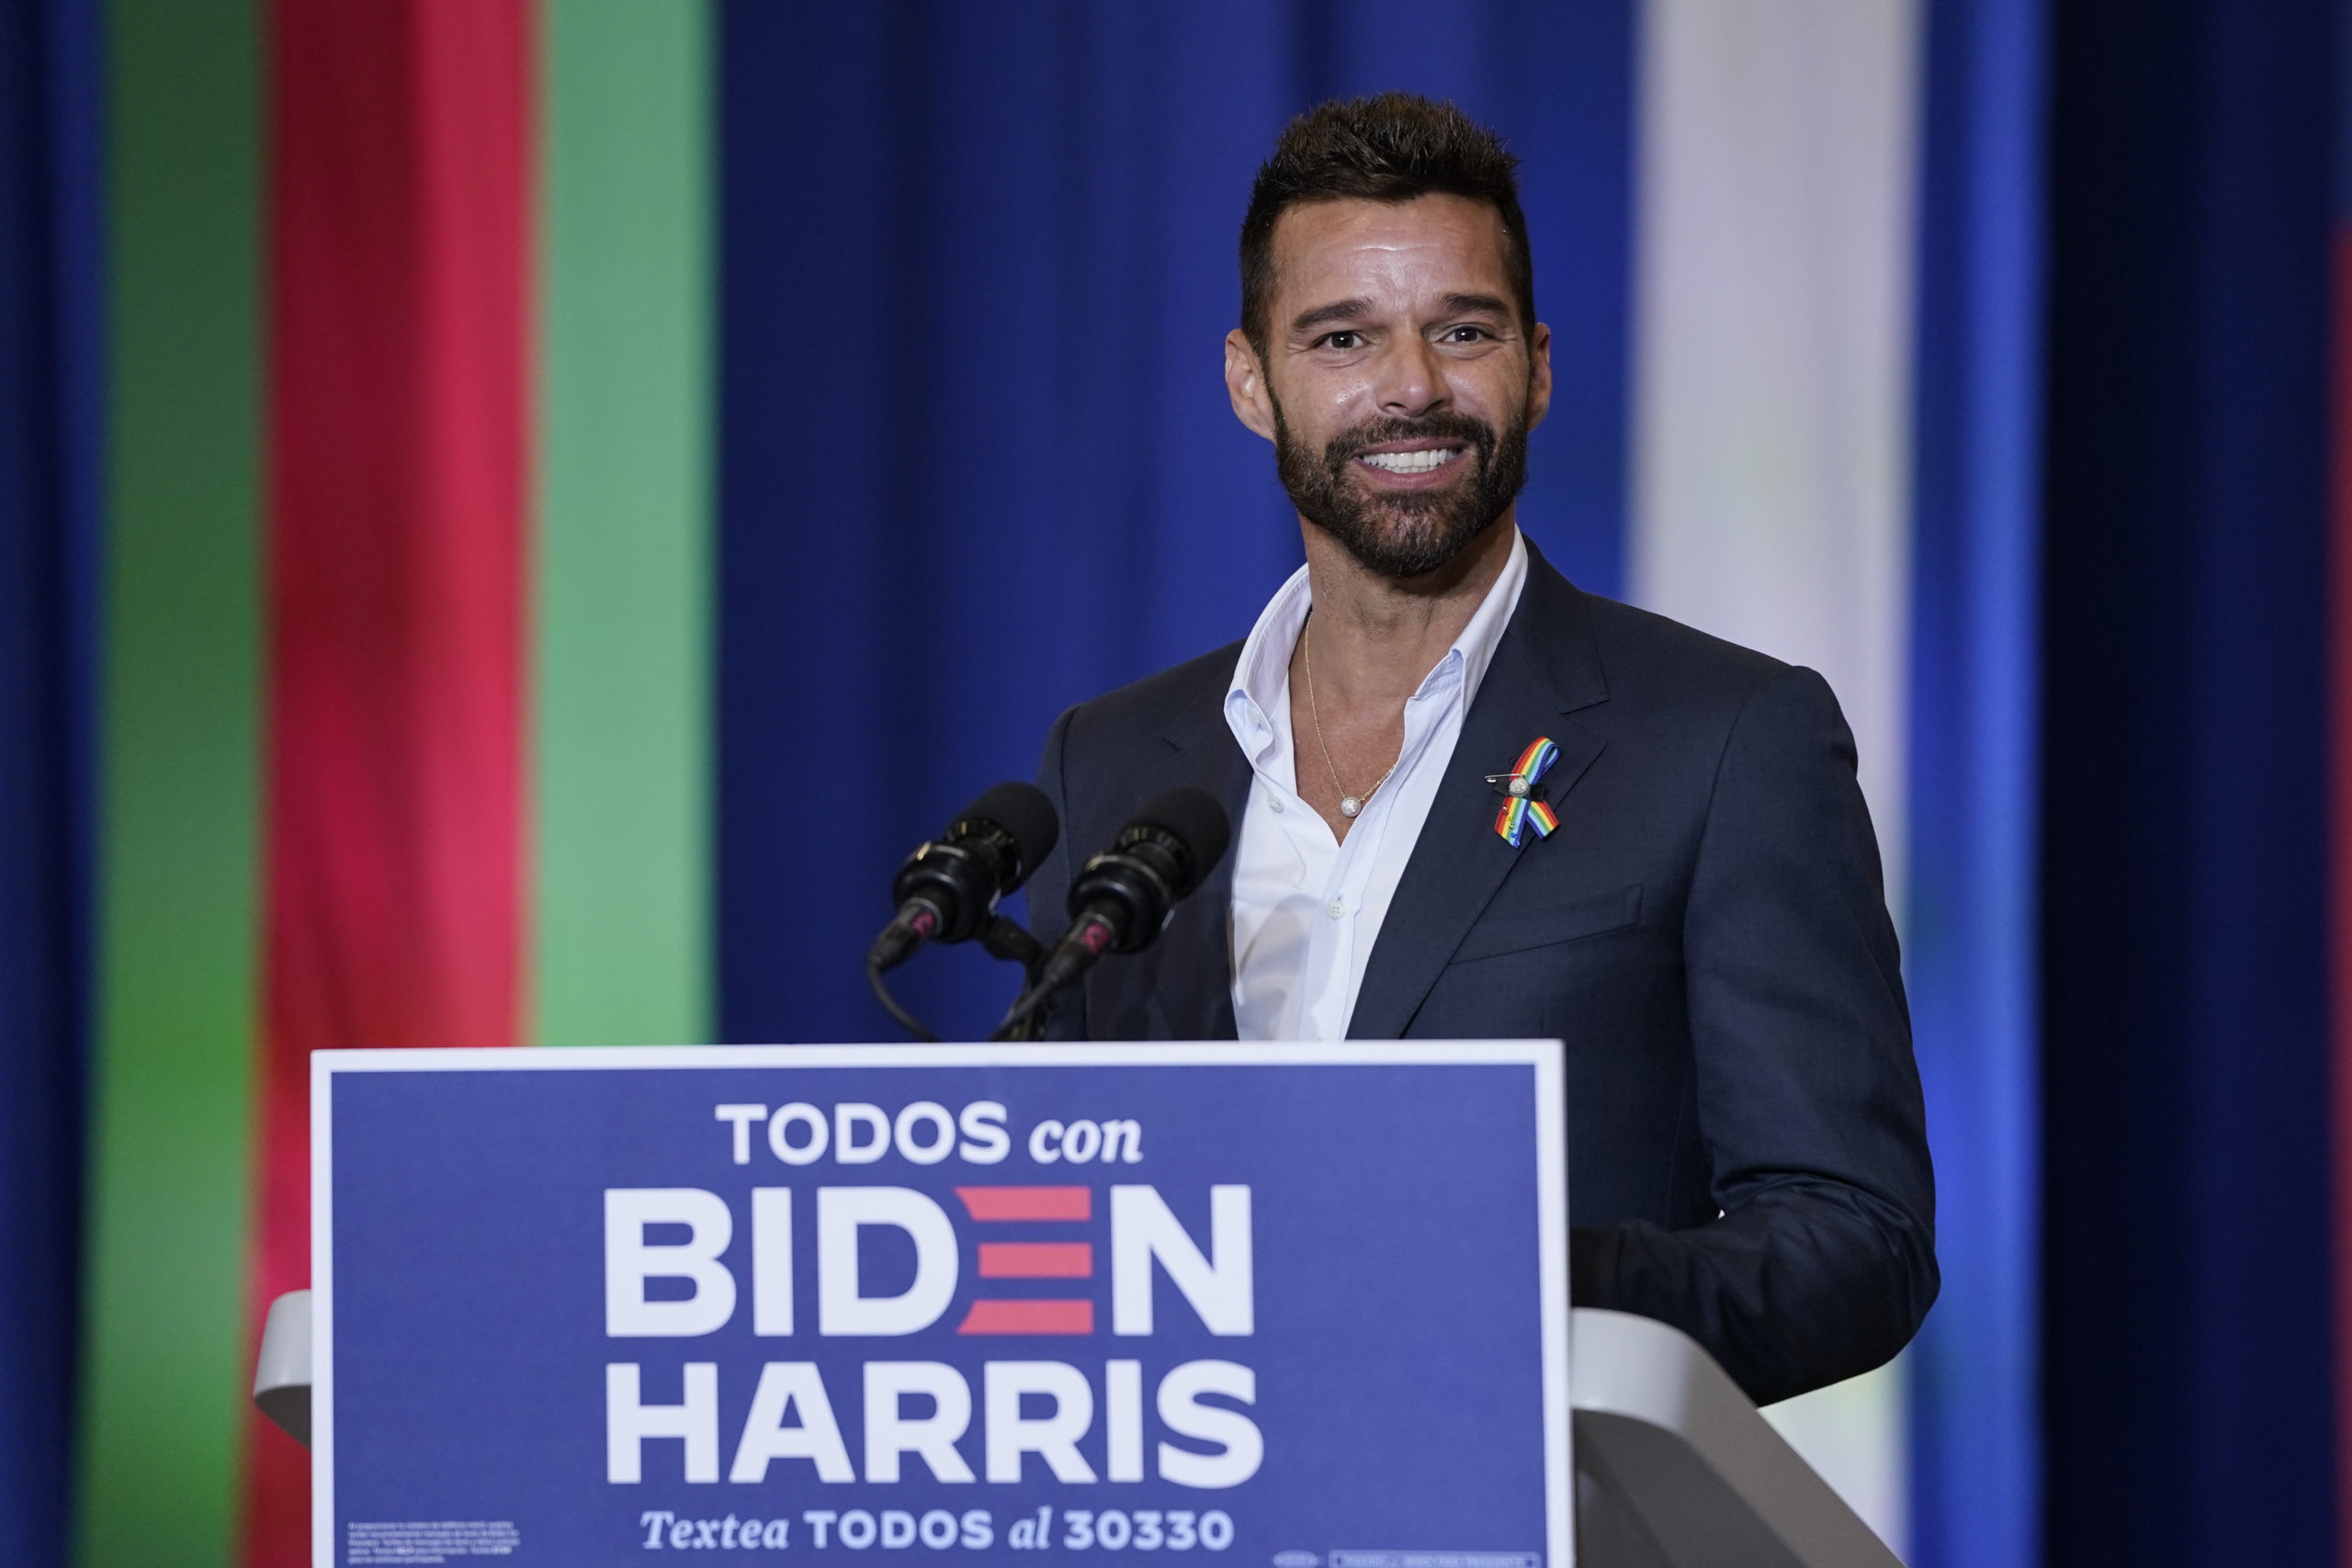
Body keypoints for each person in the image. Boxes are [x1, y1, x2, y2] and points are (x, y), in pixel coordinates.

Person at [1025, 93, 1934, 1406]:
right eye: (1343, 337)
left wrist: (1522, 1285)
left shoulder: (1726, 738)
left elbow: (1859, 1243)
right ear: (1248, 381)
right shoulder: (1108, 763)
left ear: (1540, 367)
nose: (1412, 386)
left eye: (1464, 331)